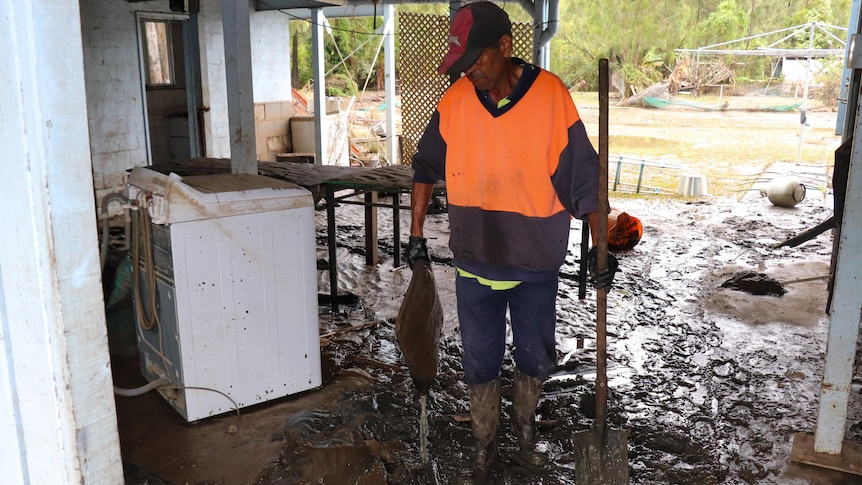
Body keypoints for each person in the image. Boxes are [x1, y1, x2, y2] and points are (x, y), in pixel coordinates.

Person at [404, 2, 618, 482]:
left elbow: (585, 179)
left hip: (534, 260)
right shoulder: (456, 101)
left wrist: (596, 246)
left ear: (505, 47)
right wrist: (415, 234)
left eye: (475, 61)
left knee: (533, 355)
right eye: (461, 66)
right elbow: (423, 166)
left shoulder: (550, 96)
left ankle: (524, 434)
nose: (469, 73)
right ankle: (484, 446)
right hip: (475, 259)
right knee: (478, 360)